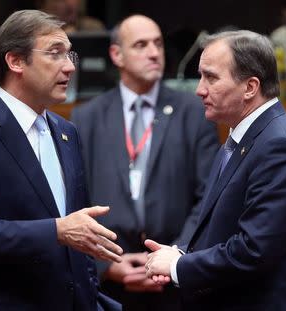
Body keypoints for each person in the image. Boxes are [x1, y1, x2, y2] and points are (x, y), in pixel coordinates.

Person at [0, 10, 123, 310]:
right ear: (15, 61)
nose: (70, 67)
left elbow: (79, 232)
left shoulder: (66, 132)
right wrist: (56, 230)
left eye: (69, 55)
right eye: (55, 54)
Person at [145, 30, 286, 310]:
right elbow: (222, 226)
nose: (199, 89)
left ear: (250, 87)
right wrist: (180, 252)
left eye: (211, 77)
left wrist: (180, 266)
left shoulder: (282, 146)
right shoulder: (242, 139)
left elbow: (254, 250)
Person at [71, 14, 220, 311]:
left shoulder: (194, 111)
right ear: (117, 55)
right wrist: (104, 264)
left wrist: (173, 258)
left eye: (158, 44)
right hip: (109, 284)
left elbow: (209, 198)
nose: (154, 53)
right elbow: (74, 200)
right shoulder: (87, 117)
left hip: (177, 284)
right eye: (141, 45)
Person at [36, 0, 105, 33]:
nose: (71, 4)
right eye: (61, 1)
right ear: (43, 4)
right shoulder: (34, 27)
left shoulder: (92, 27)